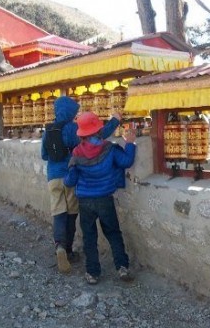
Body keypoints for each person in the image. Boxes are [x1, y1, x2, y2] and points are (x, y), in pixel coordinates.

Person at [41, 96, 120, 274]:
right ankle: (68, 251)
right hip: (70, 175)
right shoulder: (72, 128)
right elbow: (97, 135)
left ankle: (59, 246)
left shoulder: (48, 130)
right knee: (71, 213)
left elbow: (44, 155)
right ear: (70, 112)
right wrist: (115, 120)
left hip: (53, 177)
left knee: (58, 212)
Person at [64, 111, 136, 285]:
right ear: (98, 130)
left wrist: (66, 176)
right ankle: (122, 267)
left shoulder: (77, 152)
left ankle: (93, 273)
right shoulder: (109, 148)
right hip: (105, 198)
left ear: (81, 133)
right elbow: (126, 162)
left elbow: (70, 181)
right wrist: (130, 143)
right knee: (113, 233)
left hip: (85, 202)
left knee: (89, 237)